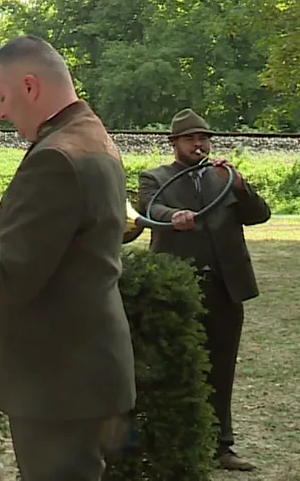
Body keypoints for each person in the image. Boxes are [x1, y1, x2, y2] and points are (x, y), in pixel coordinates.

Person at [0, 35, 135, 481]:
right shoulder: (93, 138)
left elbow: (11, 277)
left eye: (2, 97)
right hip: (86, 369)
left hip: (58, 378)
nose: (1, 111)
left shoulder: (56, 158)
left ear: (30, 86)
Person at [138, 108, 270, 472]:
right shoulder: (155, 177)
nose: (199, 144)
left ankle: (221, 447)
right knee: (176, 367)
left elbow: (260, 214)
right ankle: (173, 446)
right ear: (174, 143)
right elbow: (150, 206)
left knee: (221, 367)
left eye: (204, 138)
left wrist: (241, 186)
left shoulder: (223, 178)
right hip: (179, 287)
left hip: (225, 286)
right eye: (191, 138)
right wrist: (171, 217)